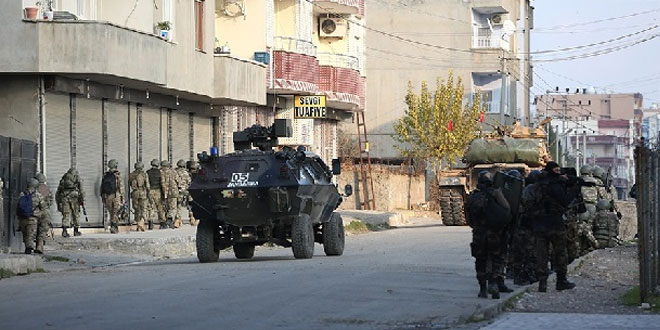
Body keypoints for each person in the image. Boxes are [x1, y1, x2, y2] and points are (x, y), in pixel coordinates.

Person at [466, 171, 513, 299]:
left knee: (480, 260)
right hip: (495, 233)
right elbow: (507, 209)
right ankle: (493, 282)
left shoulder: (472, 196)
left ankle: (482, 289)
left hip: (478, 234)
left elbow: (468, 218)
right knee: (496, 258)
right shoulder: (496, 193)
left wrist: (477, 226)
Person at [533, 161, 576, 292]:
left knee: (542, 254)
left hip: (540, 224)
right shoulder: (555, 185)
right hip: (555, 223)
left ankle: (542, 282)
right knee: (560, 253)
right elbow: (565, 201)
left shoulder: (538, 185)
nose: (559, 173)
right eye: (557, 171)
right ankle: (561, 281)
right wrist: (575, 189)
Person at [512, 170, 541, 285]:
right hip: (527, 224)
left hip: (522, 223)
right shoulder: (530, 190)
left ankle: (522, 274)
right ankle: (524, 275)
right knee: (528, 251)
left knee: (522, 251)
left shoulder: (521, 190)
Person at [17, 179, 47, 254]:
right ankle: (29, 248)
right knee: (30, 234)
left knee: (25, 234)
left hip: (22, 219)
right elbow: (43, 207)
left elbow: (18, 205)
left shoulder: (22, 194)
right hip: (33, 218)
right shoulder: (38, 195)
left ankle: (27, 247)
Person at [56, 168, 85, 237]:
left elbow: (58, 192)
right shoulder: (77, 177)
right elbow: (82, 190)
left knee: (66, 214)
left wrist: (58, 202)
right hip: (74, 197)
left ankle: (64, 231)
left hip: (64, 197)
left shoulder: (63, 179)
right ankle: (76, 231)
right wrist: (82, 199)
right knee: (76, 213)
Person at [101, 159, 125, 234]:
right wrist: (122, 198)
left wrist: (103, 197)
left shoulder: (105, 175)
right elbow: (121, 187)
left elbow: (102, 187)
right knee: (116, 212)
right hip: (115, 195)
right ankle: (114, 227)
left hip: (107, 196)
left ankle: (112, 226)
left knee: (111, 212)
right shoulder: (117, 175)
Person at [34, 173, 53, 253]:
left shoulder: (34, 188)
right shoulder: (47, 189)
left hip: (35, 212)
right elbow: (51, 201)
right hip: (45, 212)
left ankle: (33, 246)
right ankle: (40, 245)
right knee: (42, 230)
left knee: (34, 229)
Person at [129, 162, 150, 231]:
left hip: (135, 193)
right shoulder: (144, 174)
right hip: (143, 193)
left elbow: (129, 183)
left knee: (137, 209)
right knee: (144, 208)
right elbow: (147, 185)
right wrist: (148, 193)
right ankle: (141, 222)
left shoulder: (131, 174)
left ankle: (138, 225)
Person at [176, 159, 197, 226]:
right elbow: (189, 181)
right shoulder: (187, 173)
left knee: (178, 205)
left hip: (179, 190)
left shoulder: (175, 172)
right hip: (187, 190)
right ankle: (192, 218)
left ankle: (178, 220)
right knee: (189, 204)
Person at [147, 159, 166, 229]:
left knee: (151, 207)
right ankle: (162, 223)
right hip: (158, 191)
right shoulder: (160, 172)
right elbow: (163, 183)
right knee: (160, 207)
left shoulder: (148, 172)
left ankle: (150, 222)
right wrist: (164, 193)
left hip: (150, 190)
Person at [160, 160, 180, 229]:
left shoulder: (161, 172)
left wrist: (164, 193)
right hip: (174, 192)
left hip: (165, 193)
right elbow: (178, 180)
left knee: (166, 207)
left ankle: (168, 220)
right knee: (173, 207)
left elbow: (162, 183)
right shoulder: (173, 171)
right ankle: (170, 219)